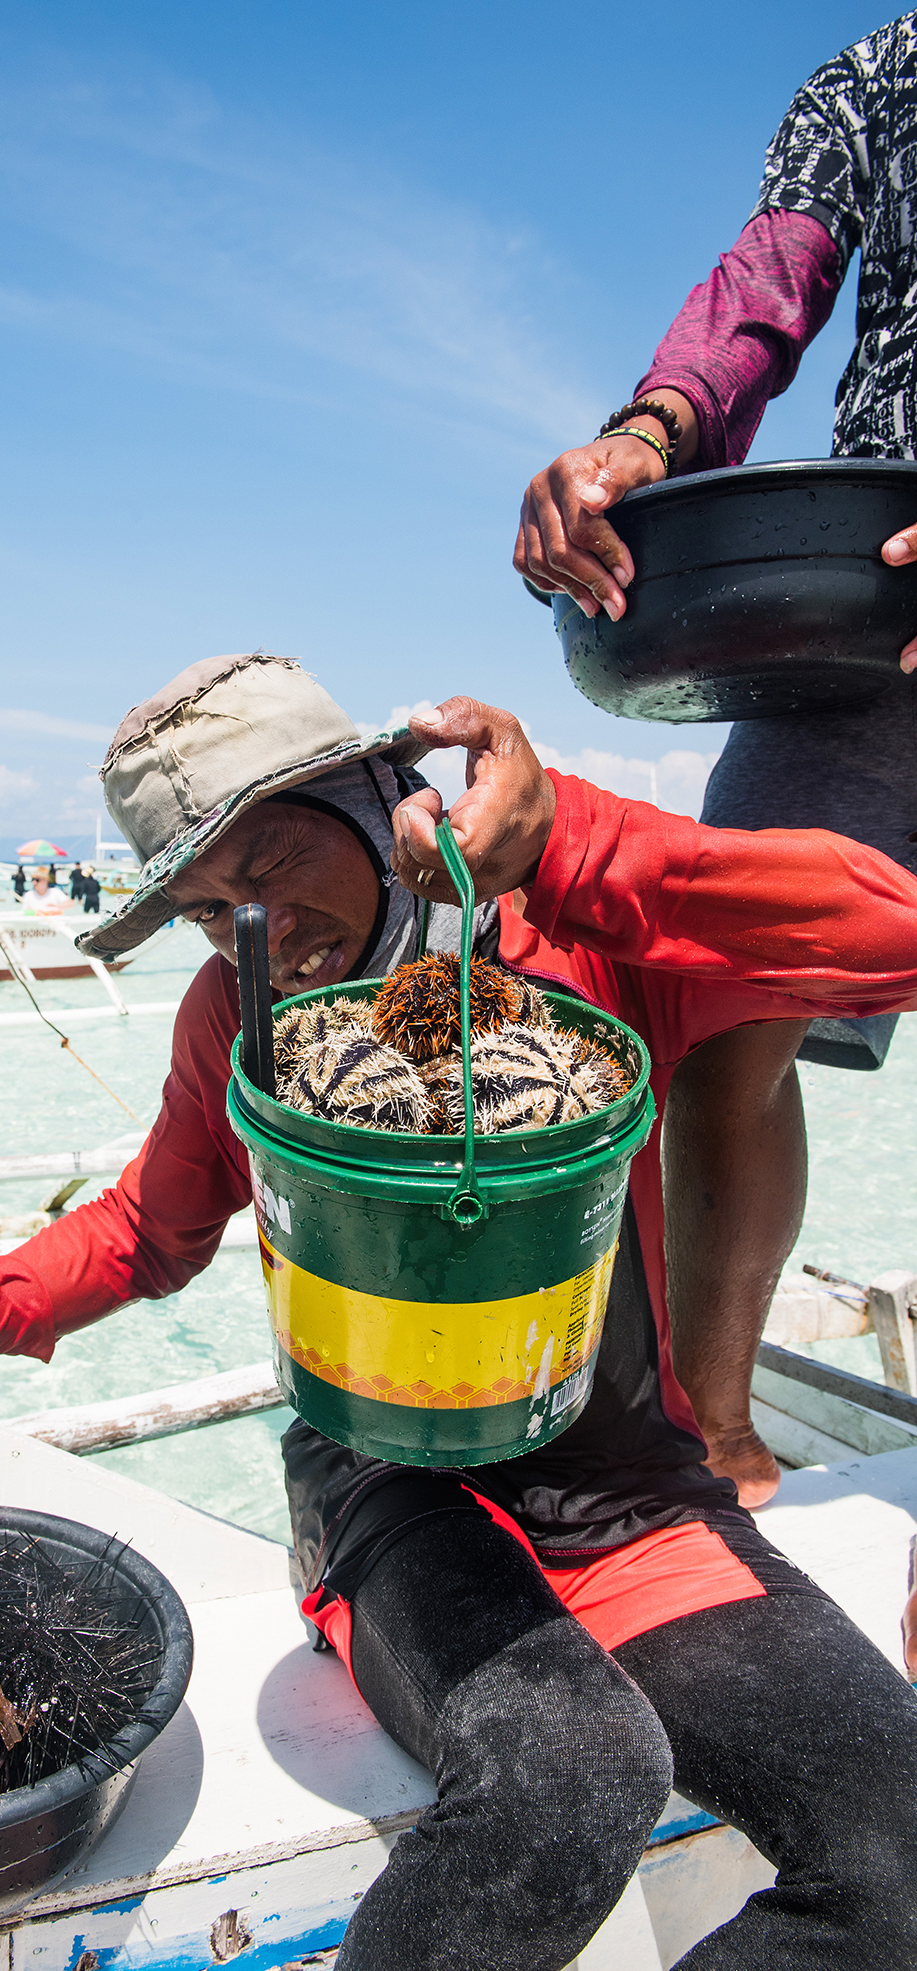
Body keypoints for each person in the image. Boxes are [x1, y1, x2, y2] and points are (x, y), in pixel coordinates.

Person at [0, 653, 917, 1969]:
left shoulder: (582, 925)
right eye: (211, 908)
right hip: (389, 1496)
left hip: (624, 1495)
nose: (254, 923)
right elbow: (146, 1229)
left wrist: (576, 843)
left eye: (270, 863)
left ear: (380, 792)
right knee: (570, 1775)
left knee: (896, 1852)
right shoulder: (240, 1012)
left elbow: (887, 940)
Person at [514, 16, 917, 1507]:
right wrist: (648, 437)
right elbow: (772, 275)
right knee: (719, 1026)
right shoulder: (886, 71)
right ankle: (718, 1428)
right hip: (866, 579)